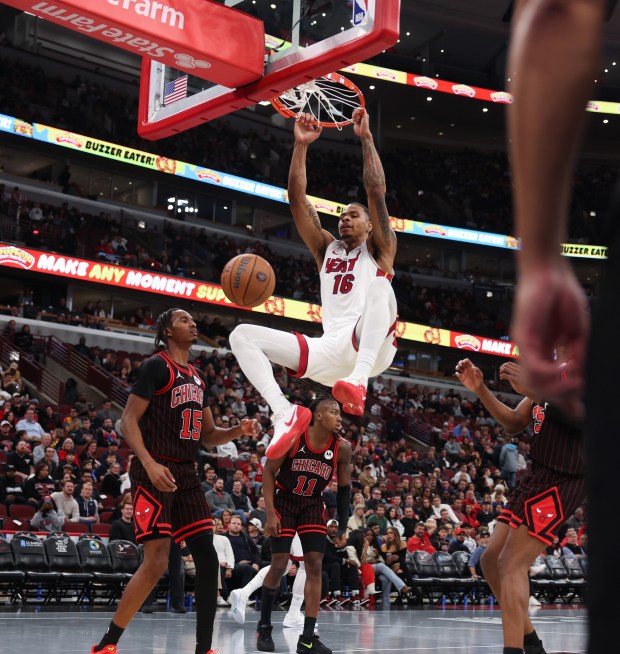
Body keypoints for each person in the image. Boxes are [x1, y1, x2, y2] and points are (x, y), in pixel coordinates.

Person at [505, 4, 608, 652]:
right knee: (498, 563)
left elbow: (559, 19)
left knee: (508, 566)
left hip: (561, 476)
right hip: (544, 471)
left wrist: (540, 249)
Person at [230, 107, 398, 459]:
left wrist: (366, 138)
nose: (344, 219)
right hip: (331, 352)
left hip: (372, 345)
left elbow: (376, 191)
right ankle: (284, 412)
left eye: (353, 215)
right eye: (341, 216)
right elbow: (297, 199)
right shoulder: (326, 249)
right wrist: (301, 145)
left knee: (382, 287)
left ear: (370, 225)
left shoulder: (380, 249)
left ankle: (360, 381)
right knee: (241, 335)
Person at [90, 308, 260, 654]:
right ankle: (108, 644)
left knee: (208, 559)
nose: (193, 323)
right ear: (167, 329)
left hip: (186, 473)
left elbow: (208, 436)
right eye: (184, 320)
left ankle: (203, 649)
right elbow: (127, 421)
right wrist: (149, 464)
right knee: (155, 562)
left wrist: (237, 430)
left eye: (193, 319)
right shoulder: (157, 366)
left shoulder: (198, 377)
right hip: (154, 470)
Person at [455, 357, 585, 654]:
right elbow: (515, 421)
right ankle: (532, 644)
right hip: (537, 474)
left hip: (565, 477)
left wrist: (540, 391)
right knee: (490, 561)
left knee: (511, 563)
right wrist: (481, 389)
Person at [258, 396, 351, 654]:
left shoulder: (342, 448)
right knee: (279, 563)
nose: (339, 417)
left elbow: (344, 489)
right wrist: (270, 513)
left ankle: (308, 637)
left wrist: (343, 524)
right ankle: (264, 626)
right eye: (334, 412)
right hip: (284, 500)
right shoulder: (295, 436)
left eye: (340, 412)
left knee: (315, 565)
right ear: (318, 416)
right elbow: (268, 472)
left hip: (312, 503)